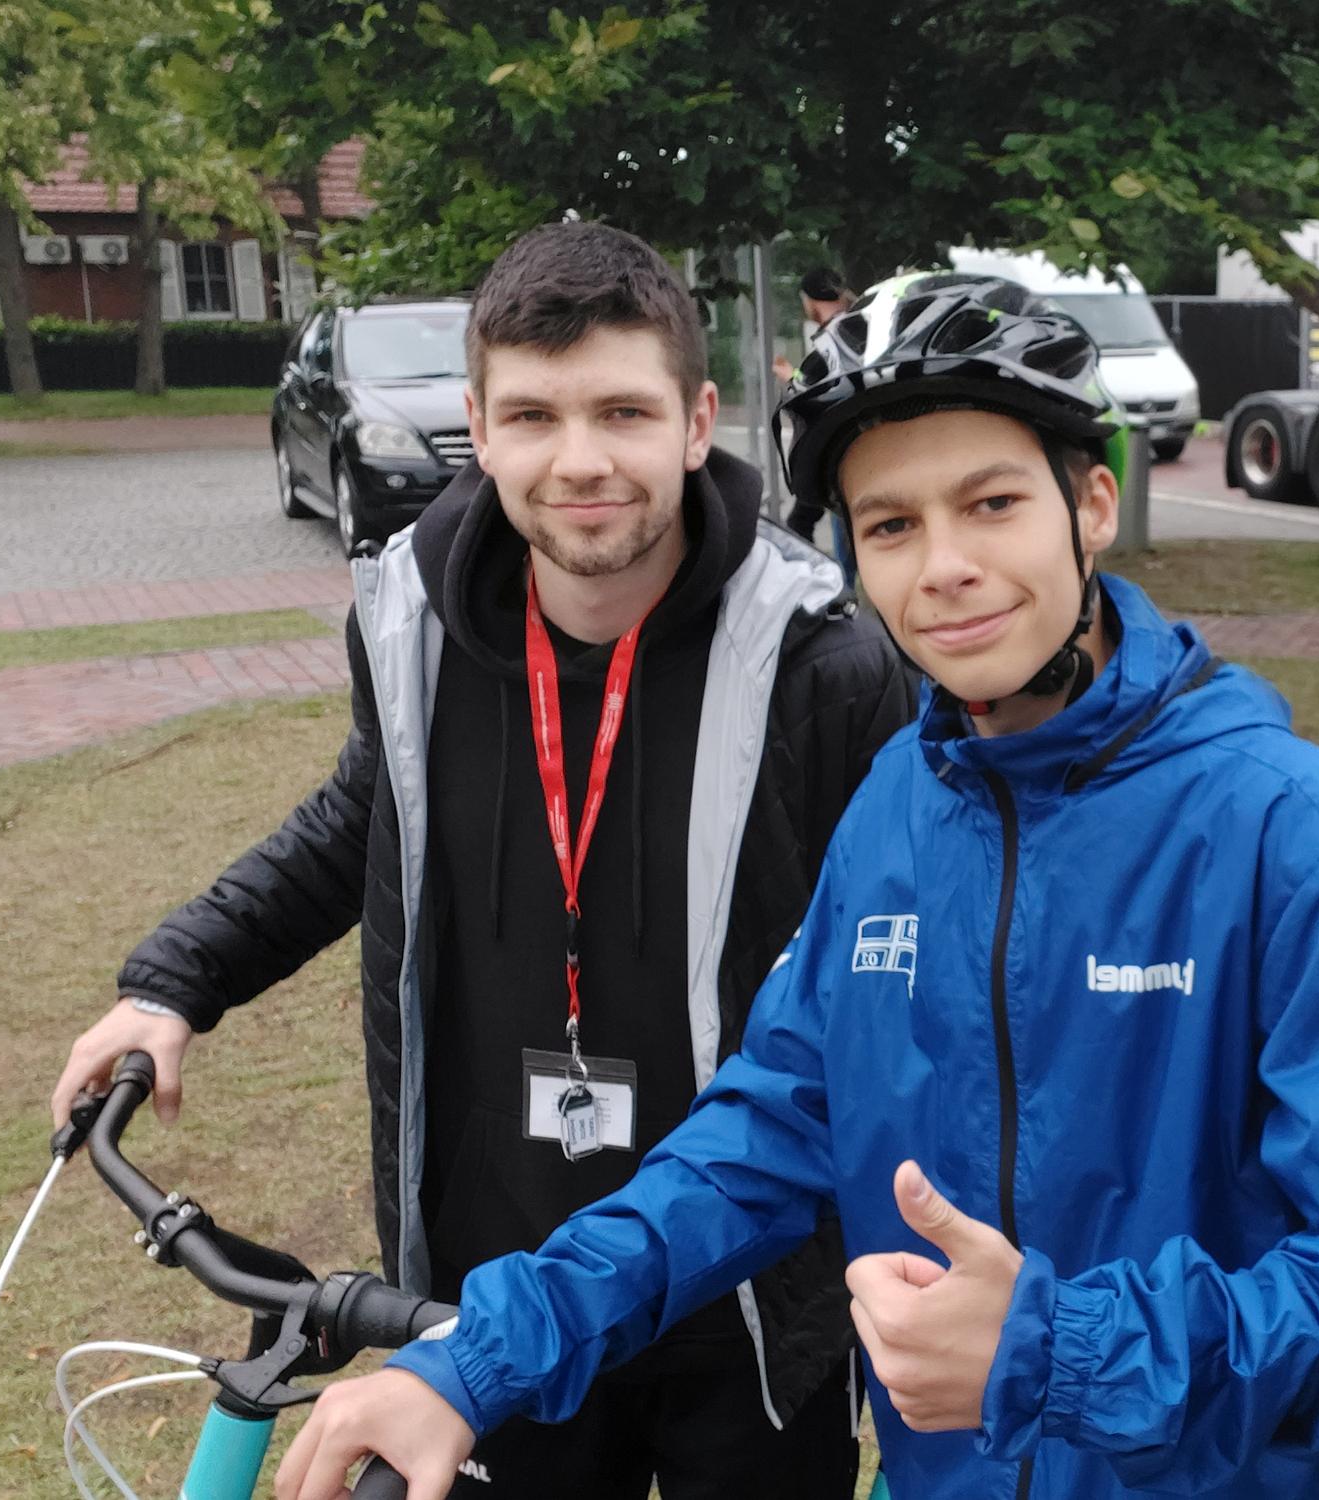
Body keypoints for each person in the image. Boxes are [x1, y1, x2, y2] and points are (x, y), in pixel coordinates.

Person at [273, 272, 1319, 1500]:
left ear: (1092, 505)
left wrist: (1057, 1352)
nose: (945, 566)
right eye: (892, 524)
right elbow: (761, 1135)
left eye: (993, 503)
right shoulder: (896, 808)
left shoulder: (1284, 827)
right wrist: (478, 1358)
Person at [49, 222, 916, 1499]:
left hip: (742, 1287)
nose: (580, 460)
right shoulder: (411, 624)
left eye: (624, 412)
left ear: (698, 422)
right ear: (480, 428)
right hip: (486, 1297)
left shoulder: (826, 659)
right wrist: (174, 979)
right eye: (533, 417)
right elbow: (362, 821)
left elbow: (902, 969)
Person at [784, 266, 856, 545]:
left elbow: (820, 388)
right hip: (850, 442)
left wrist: (790, 377)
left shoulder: (833, 336)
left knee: (812, 522)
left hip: (837, 444)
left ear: (810, 300)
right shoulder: (857, 323)